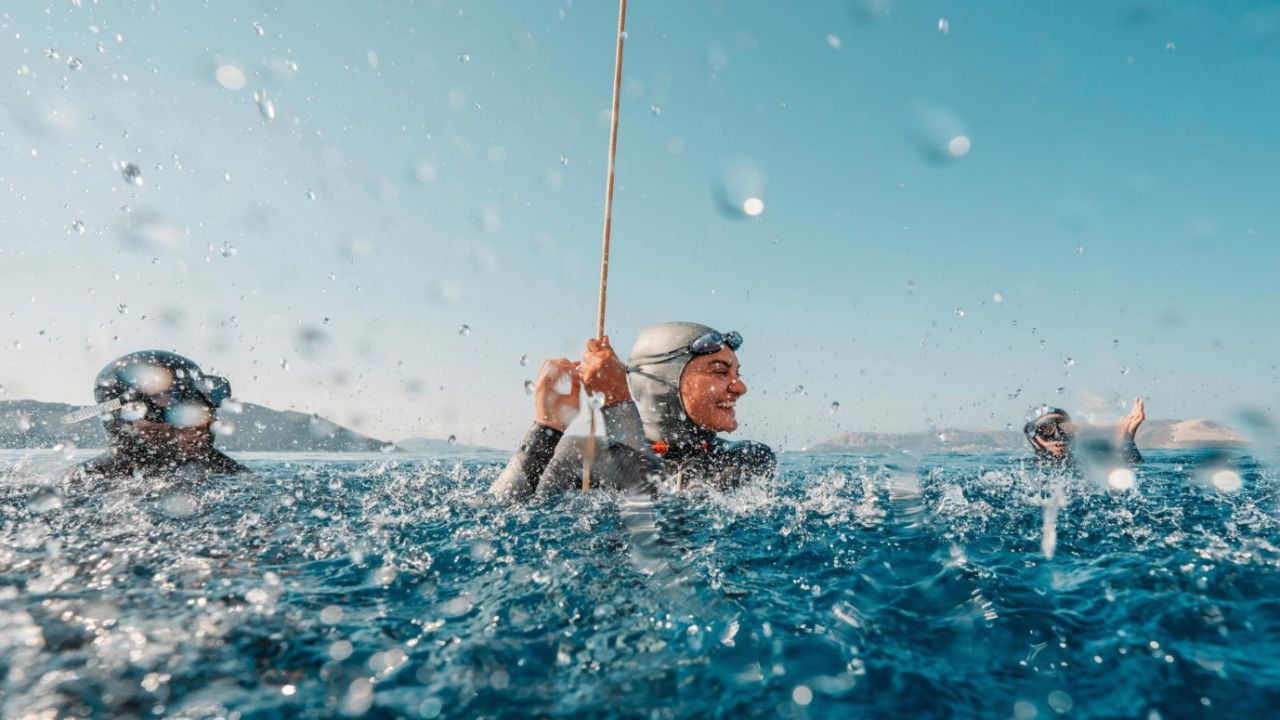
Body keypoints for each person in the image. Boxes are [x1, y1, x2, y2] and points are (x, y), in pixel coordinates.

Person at [489, 322, 775, 502]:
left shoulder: (747, 459)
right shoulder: (582, 457)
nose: (740, 388)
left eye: (737, 373)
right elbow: (501, 516)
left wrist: (617, 404)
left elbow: (662, 526)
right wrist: (547, 428)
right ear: (664, 381)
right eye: (720, 372)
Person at [64, 350, 249, 479]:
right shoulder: (87, 480)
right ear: (122, 419)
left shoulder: (236, 476)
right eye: (168, 407)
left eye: (199, 402)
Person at [1024, 397, 1145, 467]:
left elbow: (1134, 468)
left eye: (1066, 428)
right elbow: (1028, 429)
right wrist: (1044, 444)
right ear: (1035, 437)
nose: (1058, 438)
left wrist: (1127, 440)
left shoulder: (1084, 463)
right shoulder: (1030, 469)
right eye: (1047, 430)